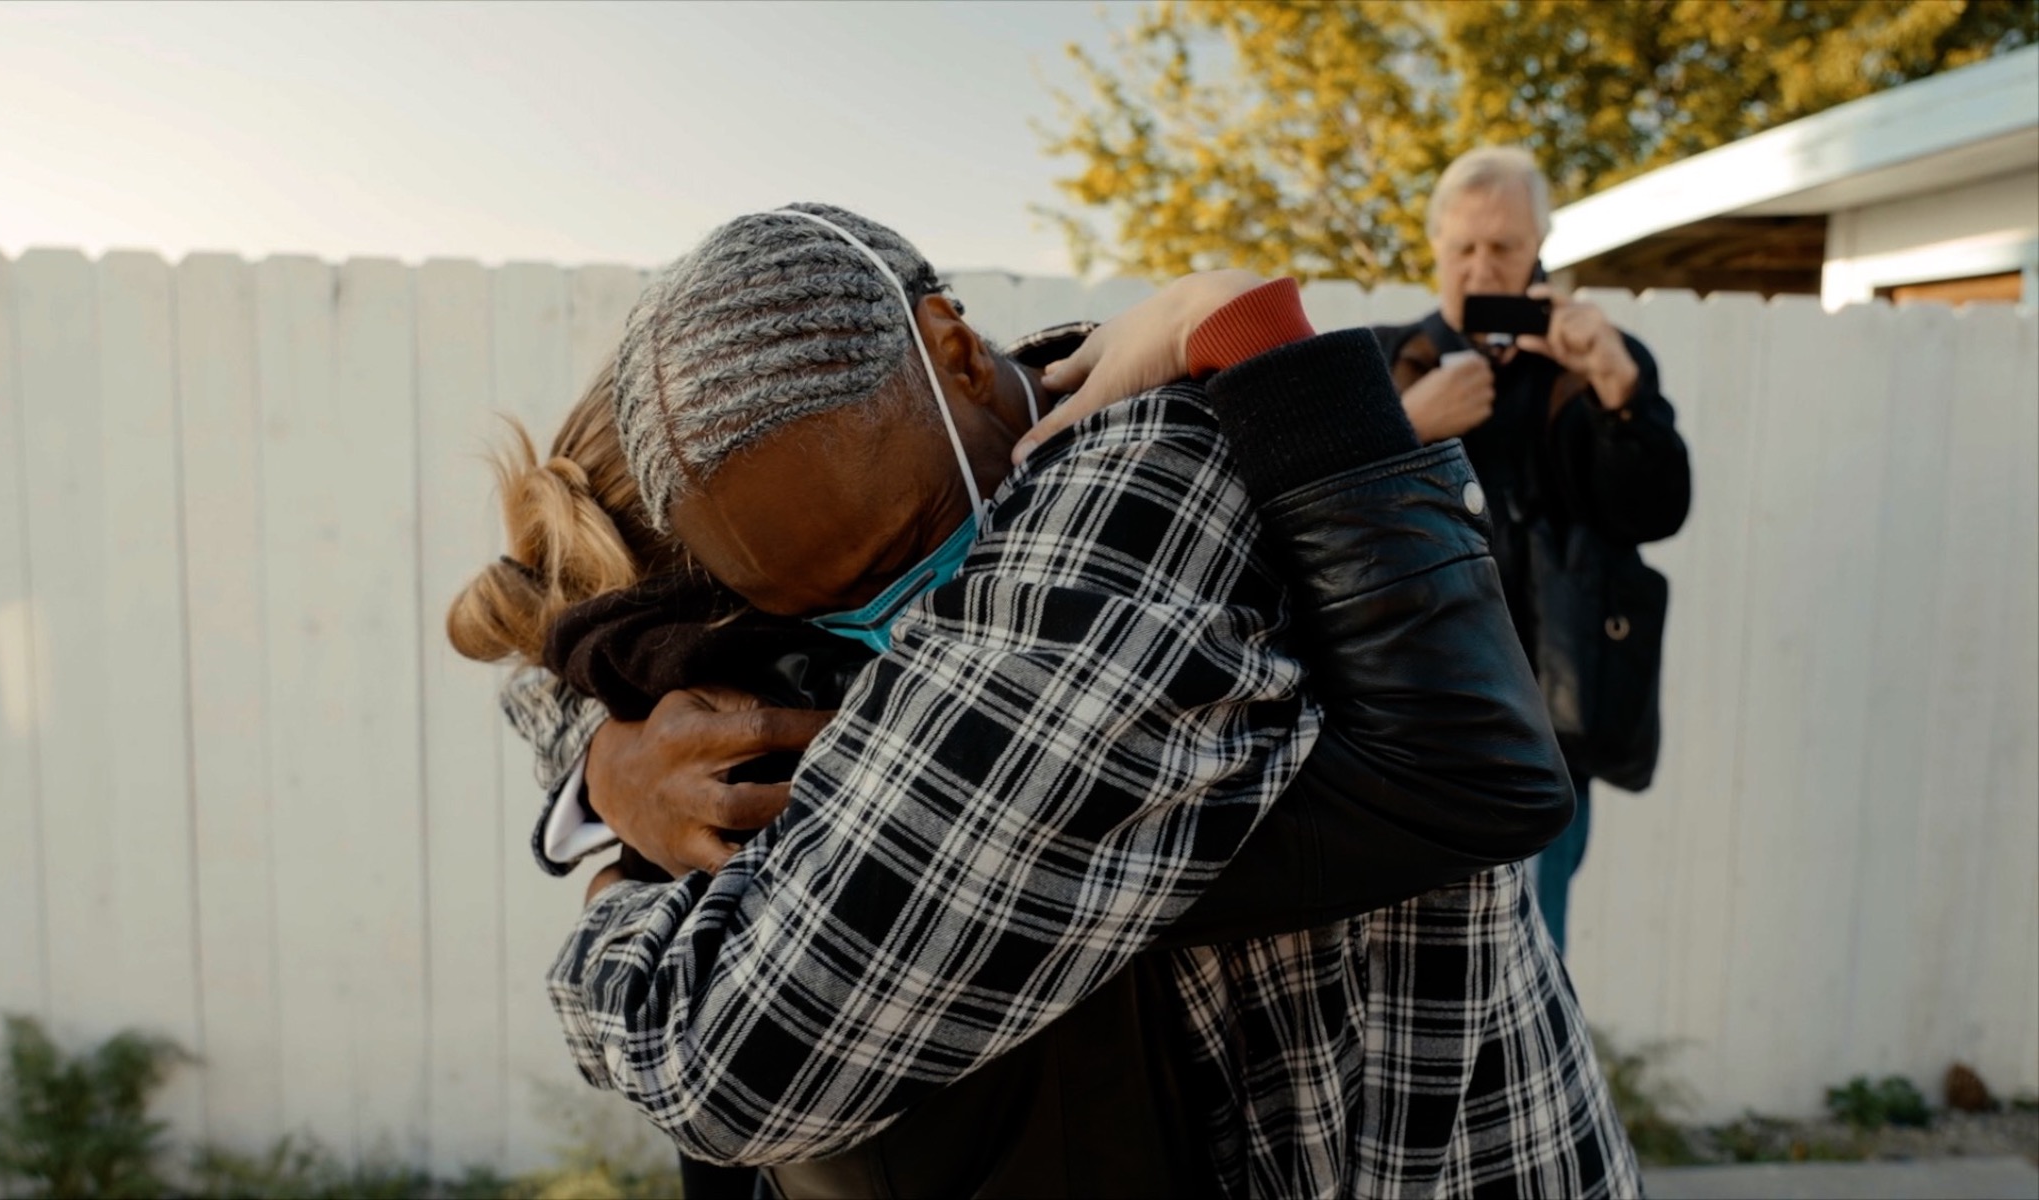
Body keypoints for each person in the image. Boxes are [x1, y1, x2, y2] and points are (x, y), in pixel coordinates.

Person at [452, 202, 1636, 1196]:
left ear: (956, 349)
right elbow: (568, 681)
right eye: (826, 611)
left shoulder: (1113, 512)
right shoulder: (896, 513)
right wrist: (606, 769)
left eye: (898, 554)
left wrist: (612, 881)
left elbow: (725, 1063)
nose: (897, 626)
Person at [1372, 146, 1693, 953]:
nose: (1482, 266)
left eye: (1503, 247)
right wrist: (1407, 425)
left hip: (1544, 718)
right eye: (1464, 248)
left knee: (1526, 946)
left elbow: (1657, 511)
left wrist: (1619, 391)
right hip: (1404, 710)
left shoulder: (1585, 365)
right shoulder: (1384, 363)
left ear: (1538, 251)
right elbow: (1322, 521)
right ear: (1436, 251)